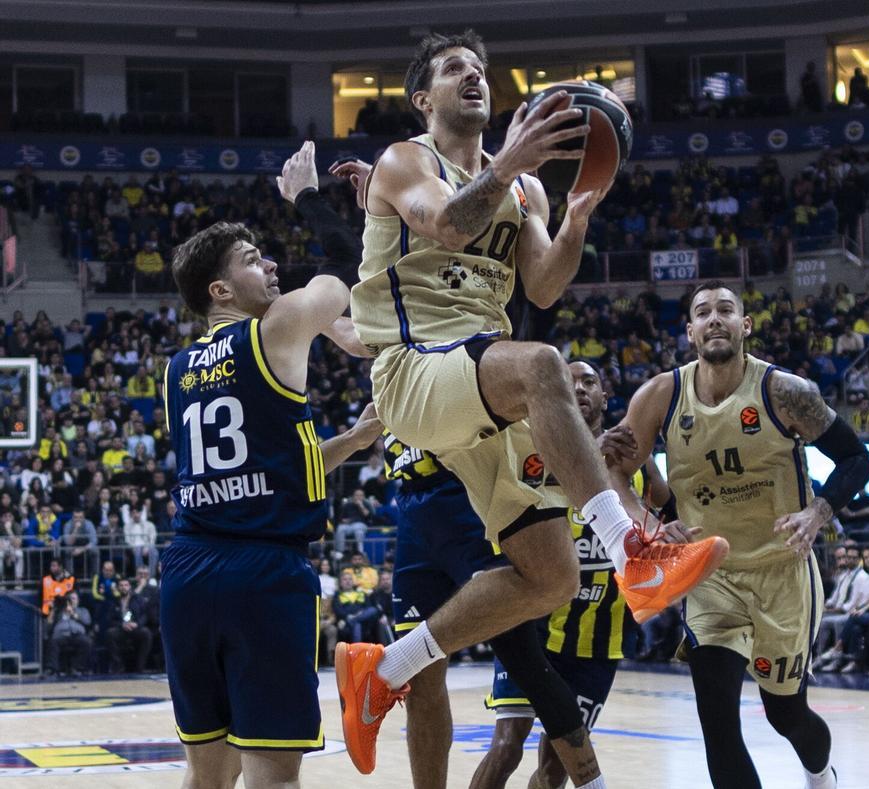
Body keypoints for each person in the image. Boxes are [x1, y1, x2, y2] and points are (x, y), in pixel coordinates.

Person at [338, 30, 726, 784]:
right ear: (423, 98)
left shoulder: (527, 190)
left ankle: (384, 670)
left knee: (551, 578)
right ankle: (633, 554)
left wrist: (578, 211)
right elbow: (447, 223)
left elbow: (544, 284)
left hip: (481, 384)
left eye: (479, 69)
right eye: (454, 69)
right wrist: (511, 162)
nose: (473, 76)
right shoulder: (405, 160)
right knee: (545, 363)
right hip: (414, 367)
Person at [158, 142, 385, 788]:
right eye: (254, 259)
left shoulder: (176, 373)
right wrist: (306, 196)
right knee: (274, 774)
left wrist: (353, 439)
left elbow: (264, 467)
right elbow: (345, 262)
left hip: (188, 575)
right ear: (221, 290)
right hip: (262, 576)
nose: (273, 264)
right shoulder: (275, 328)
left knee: (206, 775)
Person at [604, 281, 869, 789]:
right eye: (703, 312)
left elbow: (857, 459)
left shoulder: (785, 392)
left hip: (781, 571)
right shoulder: (661, 395)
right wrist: (647, 522)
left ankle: (820, 775)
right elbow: (615, 467)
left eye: (725, 310)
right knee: (717, 720)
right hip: (710, 573)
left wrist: (817, 513)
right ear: (690, 332)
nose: (714, 319)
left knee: (786, 715)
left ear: (744, 325)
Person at [472, 360, 668, 789]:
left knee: (556, 767)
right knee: (505, 747)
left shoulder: (635, 460)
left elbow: (670, 512)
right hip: (534, 623)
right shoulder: (531, 444)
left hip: (596, 640)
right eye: (569, 381)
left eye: (589, 382)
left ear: (605, 397)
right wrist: (592, 448)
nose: (579, 388)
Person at [46, 590, 92, 676]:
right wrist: (53, 609)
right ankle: (52, 669)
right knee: (53, 641)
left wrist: (73, 613)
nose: (72, 601)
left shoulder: (83, 610)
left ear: (78, 601)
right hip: (61, 635)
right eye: (70, 599)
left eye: (74, 599)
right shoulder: (58, 612)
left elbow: (87, 622)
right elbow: (48, 625)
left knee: (87, 642)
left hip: (77, 635)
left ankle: (77, 668)